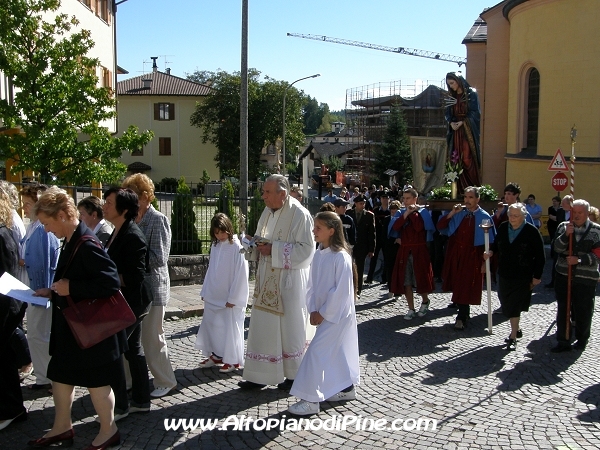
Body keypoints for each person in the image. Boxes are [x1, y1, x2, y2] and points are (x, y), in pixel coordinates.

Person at [29, 186, 124, 449]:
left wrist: (71, 288)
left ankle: (109, 430)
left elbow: (111, 283)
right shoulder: (71, 240)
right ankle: (62, 427)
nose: (47, 230)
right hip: (71, 329)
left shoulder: (86, 242)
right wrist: (51, 291)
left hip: (89, 332)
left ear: (62, 215)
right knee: (59, 375)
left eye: (47, 223)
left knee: (96, 383)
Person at [238, 174, 315, 390]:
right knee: (263, 327)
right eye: (263, 191)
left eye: (267, 192)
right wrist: (252, 244)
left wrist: (274, 249)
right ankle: (259, 374)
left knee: (290, 329)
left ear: (283, 193)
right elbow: (260, 237)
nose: (262, 196)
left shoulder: (301, 214)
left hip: (288, 283)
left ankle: (293, 375)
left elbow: (307, 251)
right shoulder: (267, 212)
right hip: (266, 281)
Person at [288, 212, 359, 416]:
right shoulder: (319, 254)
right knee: (336, 353)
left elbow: (342, 292)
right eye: (314, 227)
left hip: (337, 316)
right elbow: (311, 285)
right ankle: (346, 389)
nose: (314, 231)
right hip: (322, 313)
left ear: (331, 230)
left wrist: (324, 313)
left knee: (315, 354)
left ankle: (310, 400)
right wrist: (312, 308)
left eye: (318, 228)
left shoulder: (341, 257)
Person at [122, 174, 177, 398]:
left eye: (133, 194)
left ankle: (166, 380)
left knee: (152, 337)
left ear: (145, 196)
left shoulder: (158, 219)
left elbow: (160, 257)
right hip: (133, 288)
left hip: (153, 288)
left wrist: (132, 258)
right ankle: (129, 380)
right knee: (128, 337)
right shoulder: (130, 219)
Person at [103, 187, 152, 420]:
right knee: (133, 350)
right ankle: (141, 400)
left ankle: (120, 405)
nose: (104, 206)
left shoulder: (132, 235)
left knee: (114, 351)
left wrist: (107, 278)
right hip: (126, 300)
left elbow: (136, 276)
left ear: (123, 209)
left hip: (134, 302)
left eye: (109, 203)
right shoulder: (117, 230)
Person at [484, 204, 545, 350]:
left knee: (515, 304)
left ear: (524, 216)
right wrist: (491, 252)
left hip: (522, 275)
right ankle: (516, 328)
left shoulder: (531, 231)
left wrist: (537, 276)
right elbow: (497, 244)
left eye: (516, 216)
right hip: (504, 272)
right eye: (511, 215)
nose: (512, 218)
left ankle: (512, 336)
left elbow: (540, 256)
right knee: (505, 300)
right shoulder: (504, 227)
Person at [19, 184, 60, 391]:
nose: (24, 208)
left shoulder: (42, 230)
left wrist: (44, 293)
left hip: (40, 291)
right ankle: (44, 376)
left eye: (27, 203)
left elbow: (47, 264)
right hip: (33, 288)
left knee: (40, 334)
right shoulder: (33, 226)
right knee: (36, 333)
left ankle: (48, 377)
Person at [195, 213, 249, 373]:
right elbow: (211, 269)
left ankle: (232, 360)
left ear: (228, 229)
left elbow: (241, 274)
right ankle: (217, 354)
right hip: (214, 295)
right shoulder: (215, 246)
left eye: (222, 232)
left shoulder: (237, 248)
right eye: (216, 233)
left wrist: (234, 297)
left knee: (230, 328)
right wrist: (206, 290)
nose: (220, 236)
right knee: (213, 326)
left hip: (228, 297)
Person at [437, 186, 495, 330]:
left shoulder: (484, 216)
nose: (467, 200)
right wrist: (452, 213)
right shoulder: (459, 213)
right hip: (456, 253)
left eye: (470, 197)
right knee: (457, 282)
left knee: (466, 284)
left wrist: (485, 262)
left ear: (477, 199)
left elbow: (490, 242)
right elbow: (441, 226)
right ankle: (463, 310)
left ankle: (462, 316)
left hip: (473, 256)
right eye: (465, 197)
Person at [551, 199, 600, 353]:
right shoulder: (563, 226)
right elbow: (557, 248)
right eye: (574, 212)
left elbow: (597, 255)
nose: (576, 216)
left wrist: (578, 260)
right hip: (564, 275)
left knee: (583, 310)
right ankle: (563, 340)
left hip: (586, 278)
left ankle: (581, 339)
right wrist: (566, 235)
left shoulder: (596, 231)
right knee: (563, 308)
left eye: (580, 213)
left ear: (587, 213)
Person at [0, 187, 27, 432]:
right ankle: (11, 407)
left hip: (5, 304)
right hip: (8, 301)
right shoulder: (4, 231)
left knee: (4, 361)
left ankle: (11, 408)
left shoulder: (2, 233)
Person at [390, 188, 435, 319]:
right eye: (404, 198)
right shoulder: (401, 212)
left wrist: (413, 214)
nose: (405, 201)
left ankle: (425, 301)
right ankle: (411, 308)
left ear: (415, 199)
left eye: (408, 198)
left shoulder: (422, 213)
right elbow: (396, 227)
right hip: (405, 250)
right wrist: (406, 214)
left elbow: (419, 228)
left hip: (419, 250)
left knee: (420, 278)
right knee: (406, 281)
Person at [445, 72, 481, 192]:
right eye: (449, 84)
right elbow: (447, 113)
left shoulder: (471, 93)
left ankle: (471, 186)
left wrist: (462, 122)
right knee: (455, 159)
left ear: (458, 81)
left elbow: (475, 112)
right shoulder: (452, 97)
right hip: (456, 132)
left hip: (467, 131)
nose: (451, 86)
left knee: (467, 157)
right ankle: (458, 188)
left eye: (452, 83)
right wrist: (451, 122)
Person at [347, 194, 375, 296]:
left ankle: (357, 290)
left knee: (360, 268)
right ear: (355, 204)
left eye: (363, 203)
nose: (362, 205)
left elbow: (372, 233)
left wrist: (371, 249)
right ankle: (349, 287)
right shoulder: (349, 213)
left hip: (362, 246)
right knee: (348, 267)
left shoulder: (369, 215)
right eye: (360, 203)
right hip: (350, 245)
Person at [366, 191, 391, 284]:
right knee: (373, 259)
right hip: (377, 237)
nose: (385, 200)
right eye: (383, 198)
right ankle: (370, 277)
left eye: (386, 198)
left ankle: (385, 278)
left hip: (387, 238)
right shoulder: (376, 211)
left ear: (389, 199)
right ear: (380, 199)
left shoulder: (391, 211)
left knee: (386, 259)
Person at [384, 200, 401, 298]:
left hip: (398, 248)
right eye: (392, 210)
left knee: (398, 269)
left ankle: (398, 291)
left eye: (395, 210)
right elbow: (384, 235)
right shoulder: (387, 219)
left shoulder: (401, 219)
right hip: (389, 248)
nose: (393, 212)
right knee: (389, 269)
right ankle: (391, 288)